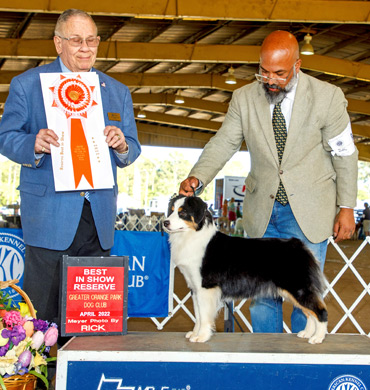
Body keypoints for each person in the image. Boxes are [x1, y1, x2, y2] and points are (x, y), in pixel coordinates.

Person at [179, 30, 358, 334]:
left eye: (279, 73)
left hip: (310, 211)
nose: (271, 79)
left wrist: (347, 207)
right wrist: (199, 175)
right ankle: (266, 363)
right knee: (260, 296)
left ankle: (303, 363)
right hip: (262, 209)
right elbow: (224, 142)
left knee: (302, 290)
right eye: (264, 71)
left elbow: (345, 154)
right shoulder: (244, 98)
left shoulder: (327, 97)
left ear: (297, 65)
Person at [0, 9, 141, 331]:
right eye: (76, 40)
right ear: (58, 43)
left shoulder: (117, 91)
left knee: (92, 316)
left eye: (92, 40)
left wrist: (122, 145)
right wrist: (32, 143)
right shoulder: (27, 85)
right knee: (41, 315)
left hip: (99, 215)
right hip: (49, 214)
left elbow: (132, 147)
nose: (86, 47)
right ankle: (37, 377)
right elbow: (5, 137)